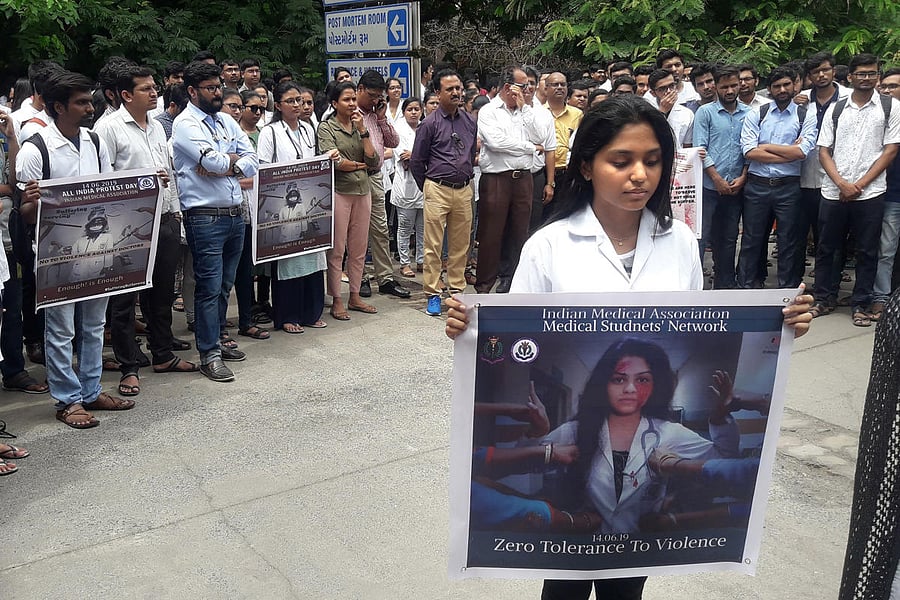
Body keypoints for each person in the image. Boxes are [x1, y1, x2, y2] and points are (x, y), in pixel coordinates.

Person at [445, 94, 813, 599]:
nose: (639, 174)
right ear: (586, 167)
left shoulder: (680, 243)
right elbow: (512, 336)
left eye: (653, 160)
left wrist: (780, 323)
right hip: (569, 542)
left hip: (638, 543)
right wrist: (471, 330)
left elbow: (705, 328)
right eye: (621, 161)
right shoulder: (548, 247)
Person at [17, 70, 135, 428]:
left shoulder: (94, 142)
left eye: (89, 100)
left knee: (94, 323)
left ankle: (91, 389)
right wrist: (34, 201)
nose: (88, 108)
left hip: (96, 253)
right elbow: (23, 213)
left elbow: (105, 193)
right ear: (58, 106)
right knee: (61, 329)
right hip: (58, 257)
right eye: (81, 102)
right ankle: (68, 400)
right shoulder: (35, 148)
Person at [94, 64, 196, 398]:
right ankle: (129, 366)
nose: (154, 93)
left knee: (163, 292)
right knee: (125, 299)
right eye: (145, 89)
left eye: (154, 87)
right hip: (128, 227)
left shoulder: (155, 127)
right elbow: (103, 181)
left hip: (165, 216)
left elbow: (168, 172)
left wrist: (175, 211)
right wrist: (144, 182)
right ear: (125, 95)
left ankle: (163, 353)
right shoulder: (108, 128)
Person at [171, 61, 259, 383]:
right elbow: (213, 160)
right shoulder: (185, 125)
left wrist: (228, 164)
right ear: (192, 91)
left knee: (224, 286)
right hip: (204, 217)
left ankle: (220, 340)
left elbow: (253, 161)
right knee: (208, 287)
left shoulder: (224, 120)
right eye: (210, 88)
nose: (217, 93)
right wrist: (229, 162)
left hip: (234, 214)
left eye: (218, 86)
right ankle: (208, 354)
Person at [813, 54, 900, 326]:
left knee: (867, 250)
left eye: (871, 73)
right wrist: (841, 183)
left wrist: (859, 185)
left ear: (877, 76)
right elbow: (823, 149)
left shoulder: (890, 108)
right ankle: (824, 297)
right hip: (833, 190)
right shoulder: (836, 109)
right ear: (850, 77)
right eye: (861, 73)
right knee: (827, 248)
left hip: (871, 192)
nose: (867, 78)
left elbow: (891, 149)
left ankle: (861, 303)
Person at [737, 65, 818, 290]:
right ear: (770, 90)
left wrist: (767, 147)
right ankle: (747, 287)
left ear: (795, 85)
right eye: (776, 86)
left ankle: (787, 290)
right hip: (757, 186)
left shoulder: (805, 115)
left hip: (789, 188)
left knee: (789, 241)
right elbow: (749, 152)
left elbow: (802, 152)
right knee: (752, 239)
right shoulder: (758, 114)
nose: (782, 89)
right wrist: (787, 152)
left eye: (786, 85)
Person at [258, 82, 329, 334]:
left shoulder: (309, 129)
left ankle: (311, 312)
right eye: (291, 101)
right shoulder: (271, 132)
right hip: (283, 205)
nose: (297, 105)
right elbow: (264, 169)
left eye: (299, 100)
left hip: (308, 202)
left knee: (312, 252)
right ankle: (288, 314)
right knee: (289, 259)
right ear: (278, 105)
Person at [409, 69, 478, 316]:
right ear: (438, 93)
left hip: (463, 189)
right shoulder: (429, 124)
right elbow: (417, 161)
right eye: (450, 89)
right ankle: (432, 293)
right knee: (433, 245)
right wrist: (429, 188)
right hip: (436, 188)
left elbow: (470, 155)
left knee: (461, 246)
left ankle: (457, 292)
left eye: (458, 88)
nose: (457, 92)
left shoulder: (469, 120)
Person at [317, 81, 380, 321]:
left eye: (354, 99)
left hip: (363, 191)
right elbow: (336, 162)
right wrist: (356, 164)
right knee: (337, 249)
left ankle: (355, 295)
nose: (352, 103)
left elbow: (373, 161)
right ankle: (337, 299)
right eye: (346, 99)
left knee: (359, 248)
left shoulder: (359, 125)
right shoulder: (327, 127)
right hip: (339, 192)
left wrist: (363, 131)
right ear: (334, 103)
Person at [693, 65, 750, 288]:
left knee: (728, 238)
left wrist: (744, 176)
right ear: (716, 87)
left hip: (736, 186)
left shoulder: (749, 113)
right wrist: (716, 178)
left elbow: (750, 148)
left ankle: (724, 284)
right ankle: (694, 286)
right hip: (709, 186)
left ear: (740, 85)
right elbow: (700, 148)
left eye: (733, 85)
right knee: (702, 236)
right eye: (724, 86)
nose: (729, 90)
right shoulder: (705, 113)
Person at [354, 70, 409, 300]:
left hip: (376, 176)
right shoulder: (350, 113)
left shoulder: (376, 115)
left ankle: (385, 278)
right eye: (372, 95)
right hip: (355, 177)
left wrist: (381, 117)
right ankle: (361, 278)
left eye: (379, 96)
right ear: (359, 90)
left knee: (381, 229)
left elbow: (394, 142)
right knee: (358, 232)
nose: (375, 100)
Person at [391, 97, 425, 279]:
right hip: (406, 185)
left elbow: (432, 154)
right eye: (410, 109)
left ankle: (421, 260)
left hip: (424, 186)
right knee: (404, 227)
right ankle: (404, 263)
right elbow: (405, 157)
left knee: (423, 228)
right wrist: (419, 157)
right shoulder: (398, 130)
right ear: (404, 112)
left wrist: (417, 156)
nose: (413, 112)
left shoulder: (426, 127)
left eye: (416, 109)